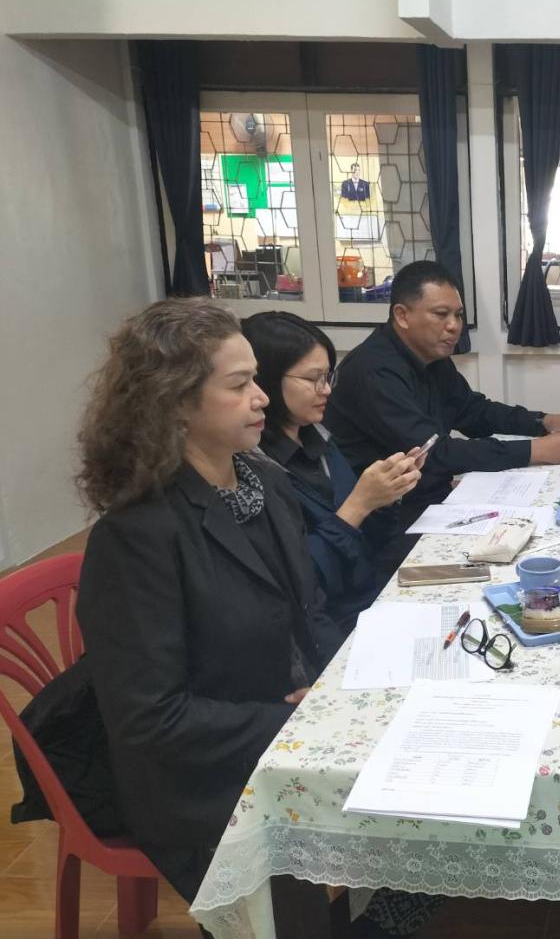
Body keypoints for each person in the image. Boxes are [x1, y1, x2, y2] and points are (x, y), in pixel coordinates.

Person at [74, 298, 344, 904]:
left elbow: (306, 610)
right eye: (240, 385)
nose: (263, 398)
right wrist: (296, 721)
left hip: (285, 726)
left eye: (257, 379)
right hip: (204, 776)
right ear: (174, 401)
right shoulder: (136, 537)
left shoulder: (265, 482)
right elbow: (151, 719)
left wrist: (340, 687)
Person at [324, 259, 560, 535]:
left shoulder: (430, 355)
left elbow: (473, 412)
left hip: (428, 498)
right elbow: (434, 453)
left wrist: (544, 421)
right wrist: (536, 450)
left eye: (458, 315)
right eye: (441, 314)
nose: (453, 326)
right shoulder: (373, 371)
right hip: (383, 522)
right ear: (402, 316)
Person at [242, 311, 423, 633]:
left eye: (328, 377)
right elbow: (301, 582)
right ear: (266, 379)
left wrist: (385, 496)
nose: (326, 390)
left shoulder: (320, 439)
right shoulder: (255, 467)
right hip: (329, 622)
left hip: (369, 597)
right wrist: (357, 507)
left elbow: (369, 544)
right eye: (314, 379)